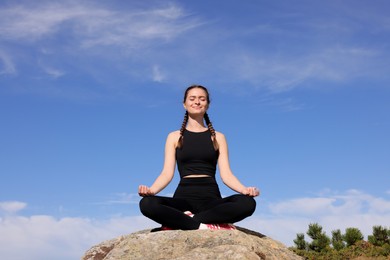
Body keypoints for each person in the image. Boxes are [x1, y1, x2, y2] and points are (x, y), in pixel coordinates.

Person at [138, 84, 259, 230]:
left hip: (211, 201)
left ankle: (186, 222)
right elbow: (167, 173)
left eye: (202, 99)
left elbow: (226, 175)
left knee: (247, 203)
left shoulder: (218, 137)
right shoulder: (174, 137)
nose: (197, 102)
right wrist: (151, 191)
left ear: (207, 104)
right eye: (192, 98)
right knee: (147, 204)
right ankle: (203, 226)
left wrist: (244, 190)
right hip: (183, 200)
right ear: (184, 104)